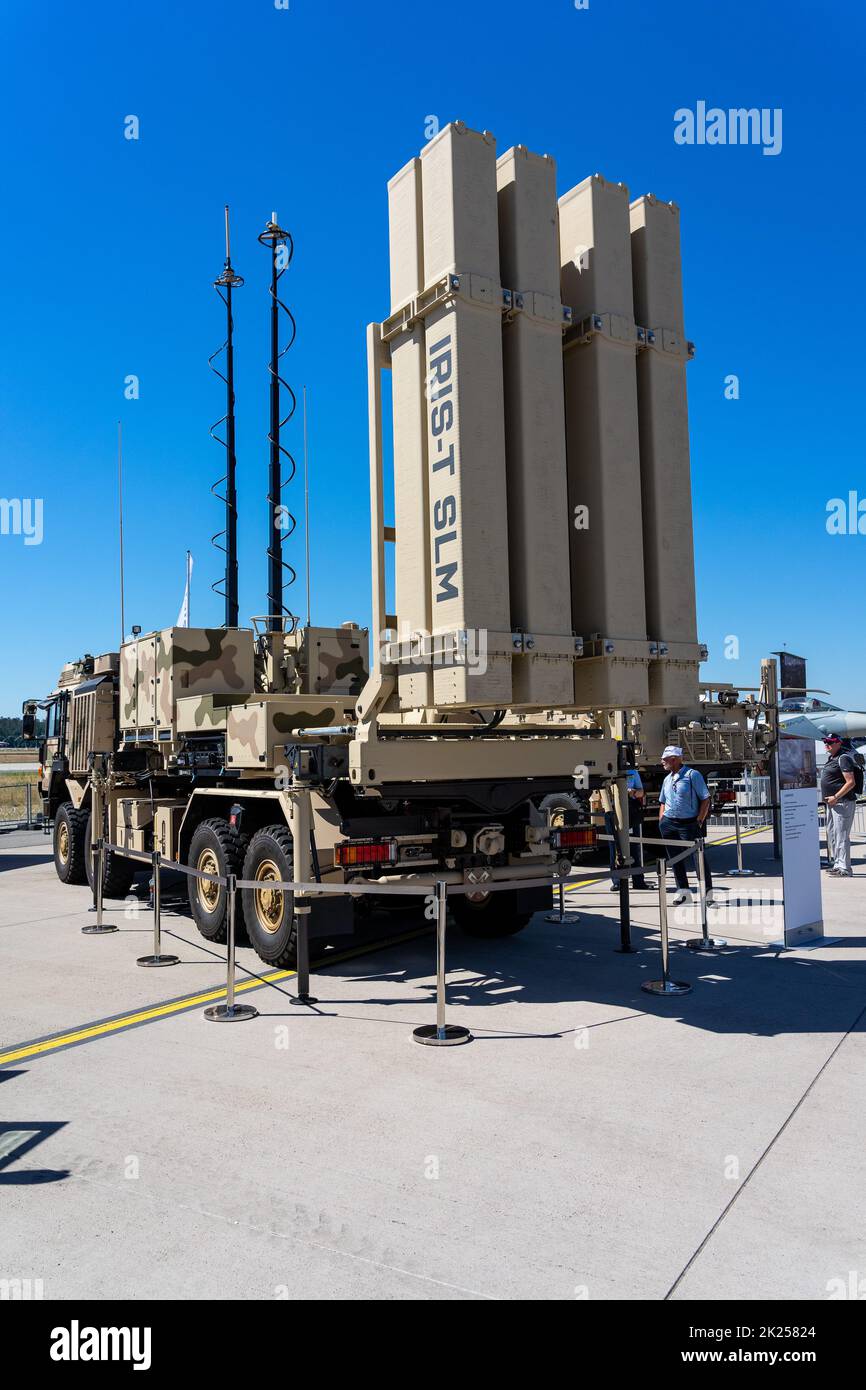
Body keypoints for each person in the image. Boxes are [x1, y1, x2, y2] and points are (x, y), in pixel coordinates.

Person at [658, 745, 715, 905]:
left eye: (665, 759)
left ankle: (708, 896)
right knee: (675, 861)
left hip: (689, 824)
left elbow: (705, 799)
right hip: (669, 824)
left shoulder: (692, 775)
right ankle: (684, 894)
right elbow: (663, 801)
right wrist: (661, 820)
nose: (662, 761)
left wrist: (699, 820)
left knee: (699, 861)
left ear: (674, 759)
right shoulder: (667, 779)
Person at [821, 734, 859, 877]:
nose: (827, 744)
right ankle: (838, 864)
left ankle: (845, 868)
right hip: (833, 804)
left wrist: (836, 797)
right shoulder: (832, 758)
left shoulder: (844, 758)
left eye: (830, 742)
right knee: (833, 835)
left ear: (838, 743)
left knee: (841, 835)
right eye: (825, 741)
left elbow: (851, 782)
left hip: (842, 803)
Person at [608, 767, 651, 891]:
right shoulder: (607, 768)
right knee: (614, 847)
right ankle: (617, 881)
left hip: (630, 809)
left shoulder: (632, 771)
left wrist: (633, 792)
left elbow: (641, 791)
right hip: (612, 809)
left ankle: (638, 880)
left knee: (634, 845)